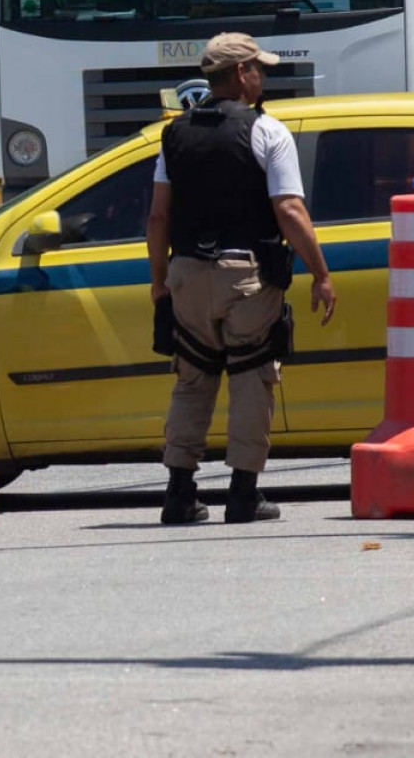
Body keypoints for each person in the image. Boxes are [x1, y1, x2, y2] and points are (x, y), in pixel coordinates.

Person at [146, 31, 336, 525]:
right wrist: (320, 273)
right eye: (259, 69)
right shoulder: (267, 131)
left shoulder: (174, 134)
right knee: (253, 378)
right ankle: (243, 493)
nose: (263, 77)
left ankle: (179, 493)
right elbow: (289, 209)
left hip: (187, 274)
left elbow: (158, 218)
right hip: (246, 276)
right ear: (239, 75)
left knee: (192, 380)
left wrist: (159, 281)